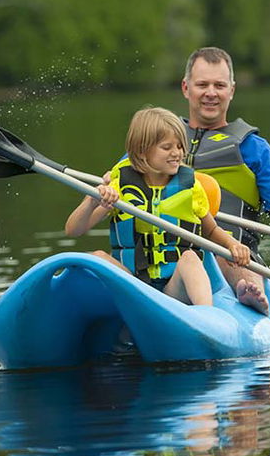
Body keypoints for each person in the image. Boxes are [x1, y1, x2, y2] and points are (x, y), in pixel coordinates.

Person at [65, 106, 251, 306]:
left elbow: (211, 230)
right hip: (134, 286)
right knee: (98, 257)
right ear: (143, 151)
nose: (176, 153)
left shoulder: (191, 188)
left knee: (190, 258)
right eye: (167, 147)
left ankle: (206, 314)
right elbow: (73, 230)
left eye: (180, 146)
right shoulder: (120, 187)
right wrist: (92, 200)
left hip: (173, 290)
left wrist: (233, 245)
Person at [181, 46, 270, 314]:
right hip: (164, 255)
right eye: (202, 84)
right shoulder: (157, 139)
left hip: (231, 254)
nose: (211, 93)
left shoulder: (254, 148)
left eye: (219, 85)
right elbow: (119, 182)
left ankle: (249, 290)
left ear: (232, 90)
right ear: (186, 88)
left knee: (224, 255)